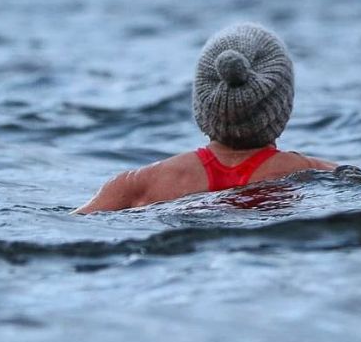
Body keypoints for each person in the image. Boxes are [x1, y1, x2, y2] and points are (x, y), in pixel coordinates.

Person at [74, 23, 336, 214]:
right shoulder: (318, 175)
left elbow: (72, 228)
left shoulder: (137, 186)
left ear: (203, 101)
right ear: (281, 105)